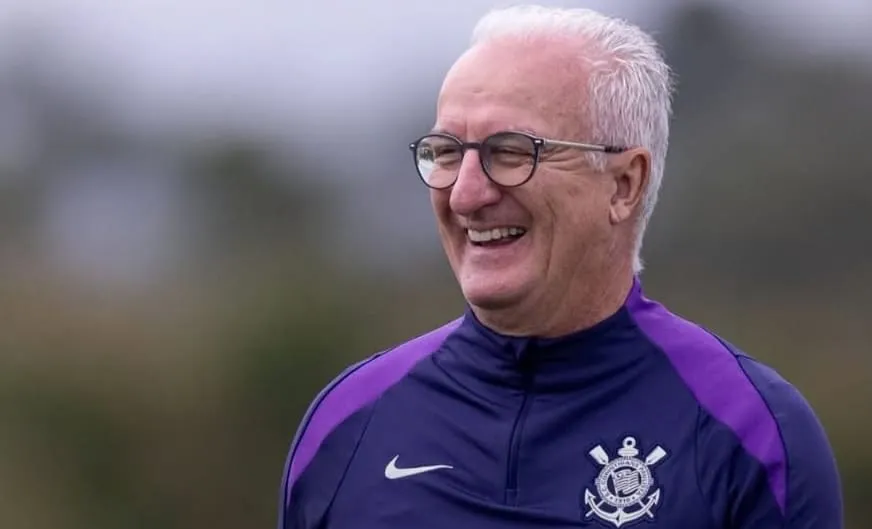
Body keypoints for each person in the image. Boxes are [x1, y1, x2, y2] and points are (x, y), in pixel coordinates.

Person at [277, 5, 842, 528]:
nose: (466, 195)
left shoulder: (748, 435)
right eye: (447, 153)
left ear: (625, 184)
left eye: (511, 152)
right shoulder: (348, 425)